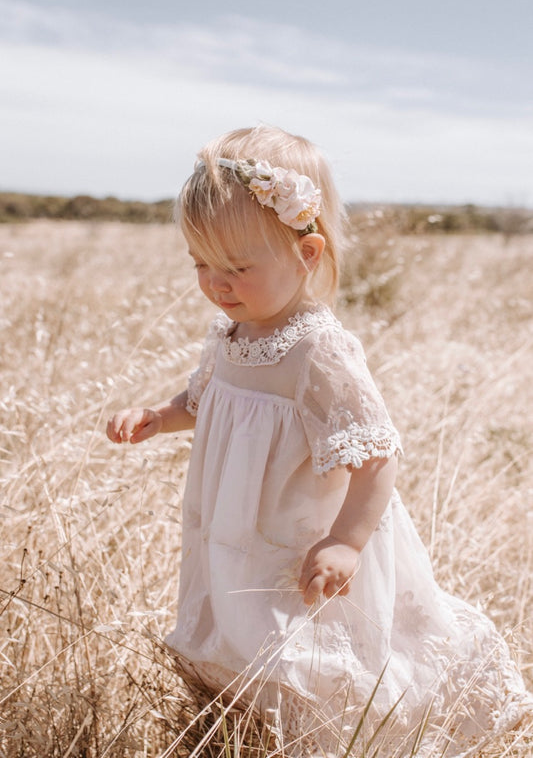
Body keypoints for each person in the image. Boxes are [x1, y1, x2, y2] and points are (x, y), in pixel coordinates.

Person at [107, 125, 532, 756]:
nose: (216, 284)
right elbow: (205, 400)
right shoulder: (230, 334)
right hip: (234, 525)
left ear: (307, 253)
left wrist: (346, 541)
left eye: (237, 267)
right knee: (240, 629)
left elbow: (377, 454)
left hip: (305, 535)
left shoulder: (317, 350)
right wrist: (157, 415)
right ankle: (248, 729)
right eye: (201, 265)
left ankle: (342, 738)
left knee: (310, 648)